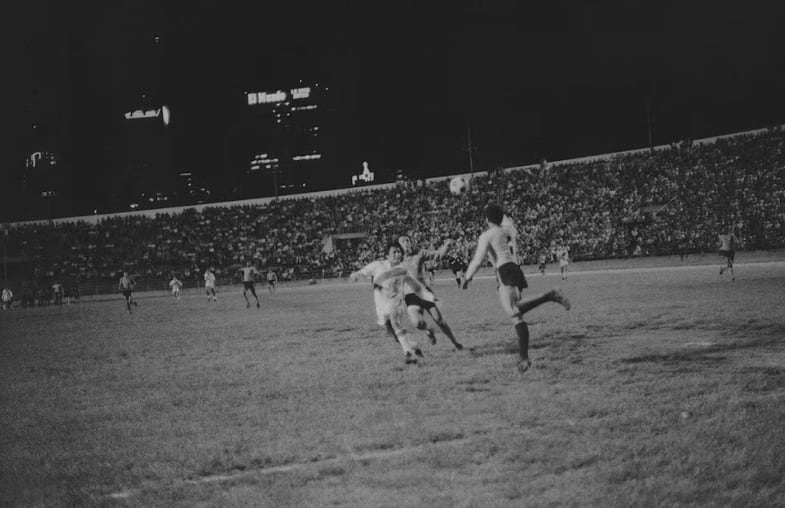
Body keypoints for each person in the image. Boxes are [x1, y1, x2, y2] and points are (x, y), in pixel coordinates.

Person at [462, 204, 571, 373]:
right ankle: (524, 358)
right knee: (516, 315)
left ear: (486, 219)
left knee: (513, 311)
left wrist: (467, 277)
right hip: (513, 269)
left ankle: (550, 295)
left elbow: (477, 260)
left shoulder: (487, 235)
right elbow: (507, 226)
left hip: (505, 270)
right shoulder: (507, 230)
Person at [350, 241, 433, 364]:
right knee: (394, 334)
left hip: (396, 302)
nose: (398, 254)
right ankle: (414, 346)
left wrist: (430, 297)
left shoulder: (403, 270)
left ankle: (408, 354)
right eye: (394, 252)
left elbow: (416, 287)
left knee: (395, 321)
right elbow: (363, 272)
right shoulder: (378, 265)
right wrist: (355, 275)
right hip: (381, 306)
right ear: (387, 255)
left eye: (399, 252)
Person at [398, 235, 463, 350]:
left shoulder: (420, 253)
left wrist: (446, 246)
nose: (407, 243)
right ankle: (429, 331)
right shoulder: (397, 260)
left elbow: (437, 255)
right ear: (400, 246)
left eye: (408, 240)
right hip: (410, 296)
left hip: (424, 292)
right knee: (418, 323)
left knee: (439, 319)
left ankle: (455, 343)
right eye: (404, 241)